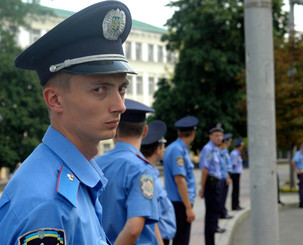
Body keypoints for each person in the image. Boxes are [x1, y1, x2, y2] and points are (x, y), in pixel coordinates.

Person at [0, 1, 135, 244]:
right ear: (55, 99)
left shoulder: (74, 178)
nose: (120, 105)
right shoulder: (47, 205)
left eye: (121, 89)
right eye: (99, 89)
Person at [96, 99, 161, 245]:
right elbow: (133, 228)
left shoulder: (96, 164)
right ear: (145, 132)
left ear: (114, 131)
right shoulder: (141, 169)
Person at [163, 115, 198, 245]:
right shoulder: (178, 150)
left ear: (179, 132)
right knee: (181, 240)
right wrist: (188, 207)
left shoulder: (177, 148)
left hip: (179, 201)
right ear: (193, 133)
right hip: (180, 203)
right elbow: (180, 180)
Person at [141, 120, 176, 245]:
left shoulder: (152, 174)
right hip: (159, 239)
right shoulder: (149, 178)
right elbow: (151, 216)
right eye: (163, 146)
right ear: (157, 149)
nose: (164, 150)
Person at [199, 122, 225, 245]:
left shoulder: (216, 149)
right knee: (210, 216)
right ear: (210, 136)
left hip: (217, 184)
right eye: (216, 135)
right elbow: (205, 170)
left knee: (214, 215)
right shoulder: (208, 149)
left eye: (220, 135)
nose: (219, 138)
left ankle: (212, 241)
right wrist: (202, 188)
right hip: (211, 184)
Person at [291, 142, 303, 209]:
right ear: (301, 147)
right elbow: (293, 162)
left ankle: (301, 202)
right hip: (301, 172)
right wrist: (296, 170)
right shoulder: (298, 154)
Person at [219, 133, 233, 220]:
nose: (229, 144)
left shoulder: (225, 152)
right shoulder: (222, 153)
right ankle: (222, 213)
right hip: (224, 177)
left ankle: (223, 212)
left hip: (226, 176)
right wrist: (228, 177)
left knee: (224, 197)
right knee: (222, 197)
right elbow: (224, 166)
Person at [229, 137, 245, 211]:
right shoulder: (235, 153)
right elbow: (233, 164)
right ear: (240, 146)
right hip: (235, 173)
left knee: (237, 189)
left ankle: (236, 204)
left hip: (237, 173)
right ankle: (234, 205)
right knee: (235, 190)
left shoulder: (237, 153)